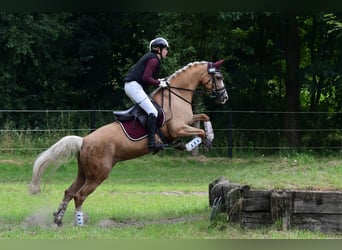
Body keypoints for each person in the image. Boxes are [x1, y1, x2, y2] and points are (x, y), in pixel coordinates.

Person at [124, 37, 169, 152]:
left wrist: (159, 80)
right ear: (158, 49)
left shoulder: (153, 59)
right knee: (152, 111)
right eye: (165, 49)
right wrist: (159, 82)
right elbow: (146, 78)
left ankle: (151, 138)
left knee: (148, 110)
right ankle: (151, 143)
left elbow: (148, 78)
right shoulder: (154, 60)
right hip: (134, 87)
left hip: (134, 86)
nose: (167, 51)